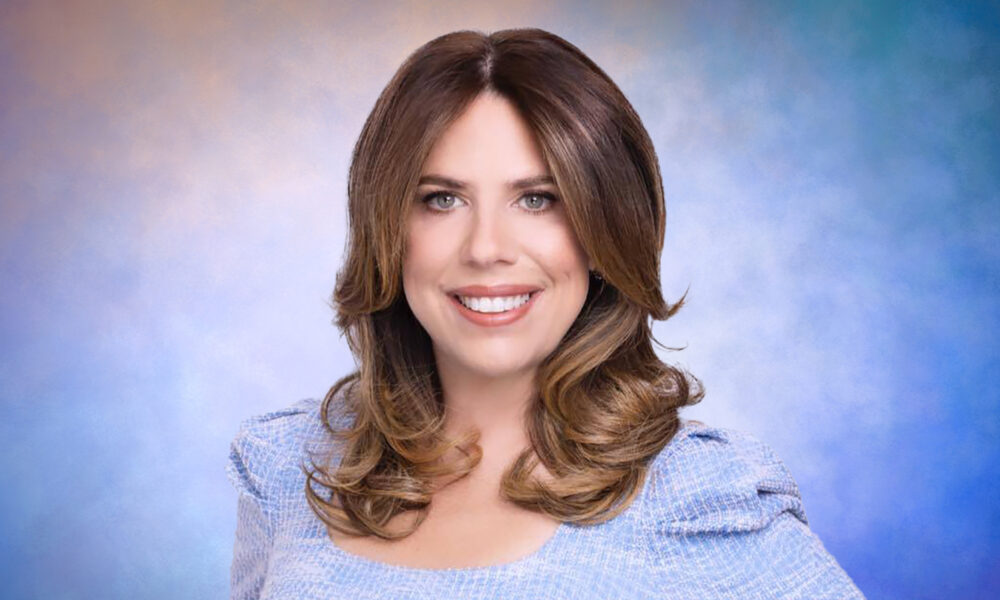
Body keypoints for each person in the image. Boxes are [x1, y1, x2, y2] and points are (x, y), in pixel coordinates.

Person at [225, 28, 865, 599]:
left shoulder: (697, 500)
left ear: (604, 228)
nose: (486, 249)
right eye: (442, 199)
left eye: (536, 199)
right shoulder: (290, 467)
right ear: (385, 228)